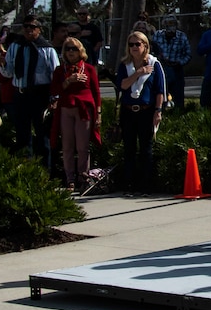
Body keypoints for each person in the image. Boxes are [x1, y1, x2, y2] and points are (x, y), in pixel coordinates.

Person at [111, 30, 167, 193]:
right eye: (131, 44)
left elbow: (159, 91)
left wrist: (158, 111)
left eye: (138, 44)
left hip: (146, 111)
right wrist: (138, 72)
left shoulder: (154, 64)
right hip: (128, 111)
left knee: (145, 148)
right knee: (129, 148)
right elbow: (123, 85)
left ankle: (145, 184)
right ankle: (129, 183)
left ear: (145, 46)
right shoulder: (124, 65)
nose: (134, 47)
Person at [2, 16, 60, 159]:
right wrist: (2, 64)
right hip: (20, 95)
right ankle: (26, 167)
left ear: (39, 30)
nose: (28, 30)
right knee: (22, 134)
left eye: (32, 27)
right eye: (26, 26)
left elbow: (55, 75)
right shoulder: (15, 47)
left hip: (40, 96)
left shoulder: (47, 49)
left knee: (42, 134)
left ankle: (46, 170)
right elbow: (8, 72)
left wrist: (55, 98)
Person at [50, 37, 103, 191]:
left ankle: (83, 177)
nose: (71, 52)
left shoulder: (88, 68)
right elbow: (54, 90)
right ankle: (70, 179)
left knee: (83, 146)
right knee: (67, 146)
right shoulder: (60, 71)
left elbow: (96, 92)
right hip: (66, 109)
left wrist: (98, 114)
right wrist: (68, 81)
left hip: (84, 110)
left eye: (74, 48)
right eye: (67, 49)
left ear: (80, 51)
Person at [152, 15, 193, 112]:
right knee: (161, 94)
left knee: (178, 97)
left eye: (173, 24)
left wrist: (180, 62)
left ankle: (178, 115)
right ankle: (160, 113)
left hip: (177, 70)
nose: (171, 27)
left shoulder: (182, 36)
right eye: (168, 24)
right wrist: (159, 59)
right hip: (161, 69)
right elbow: (152, 51)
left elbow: (188, 54)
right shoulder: (157, 35)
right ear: (164, 25)